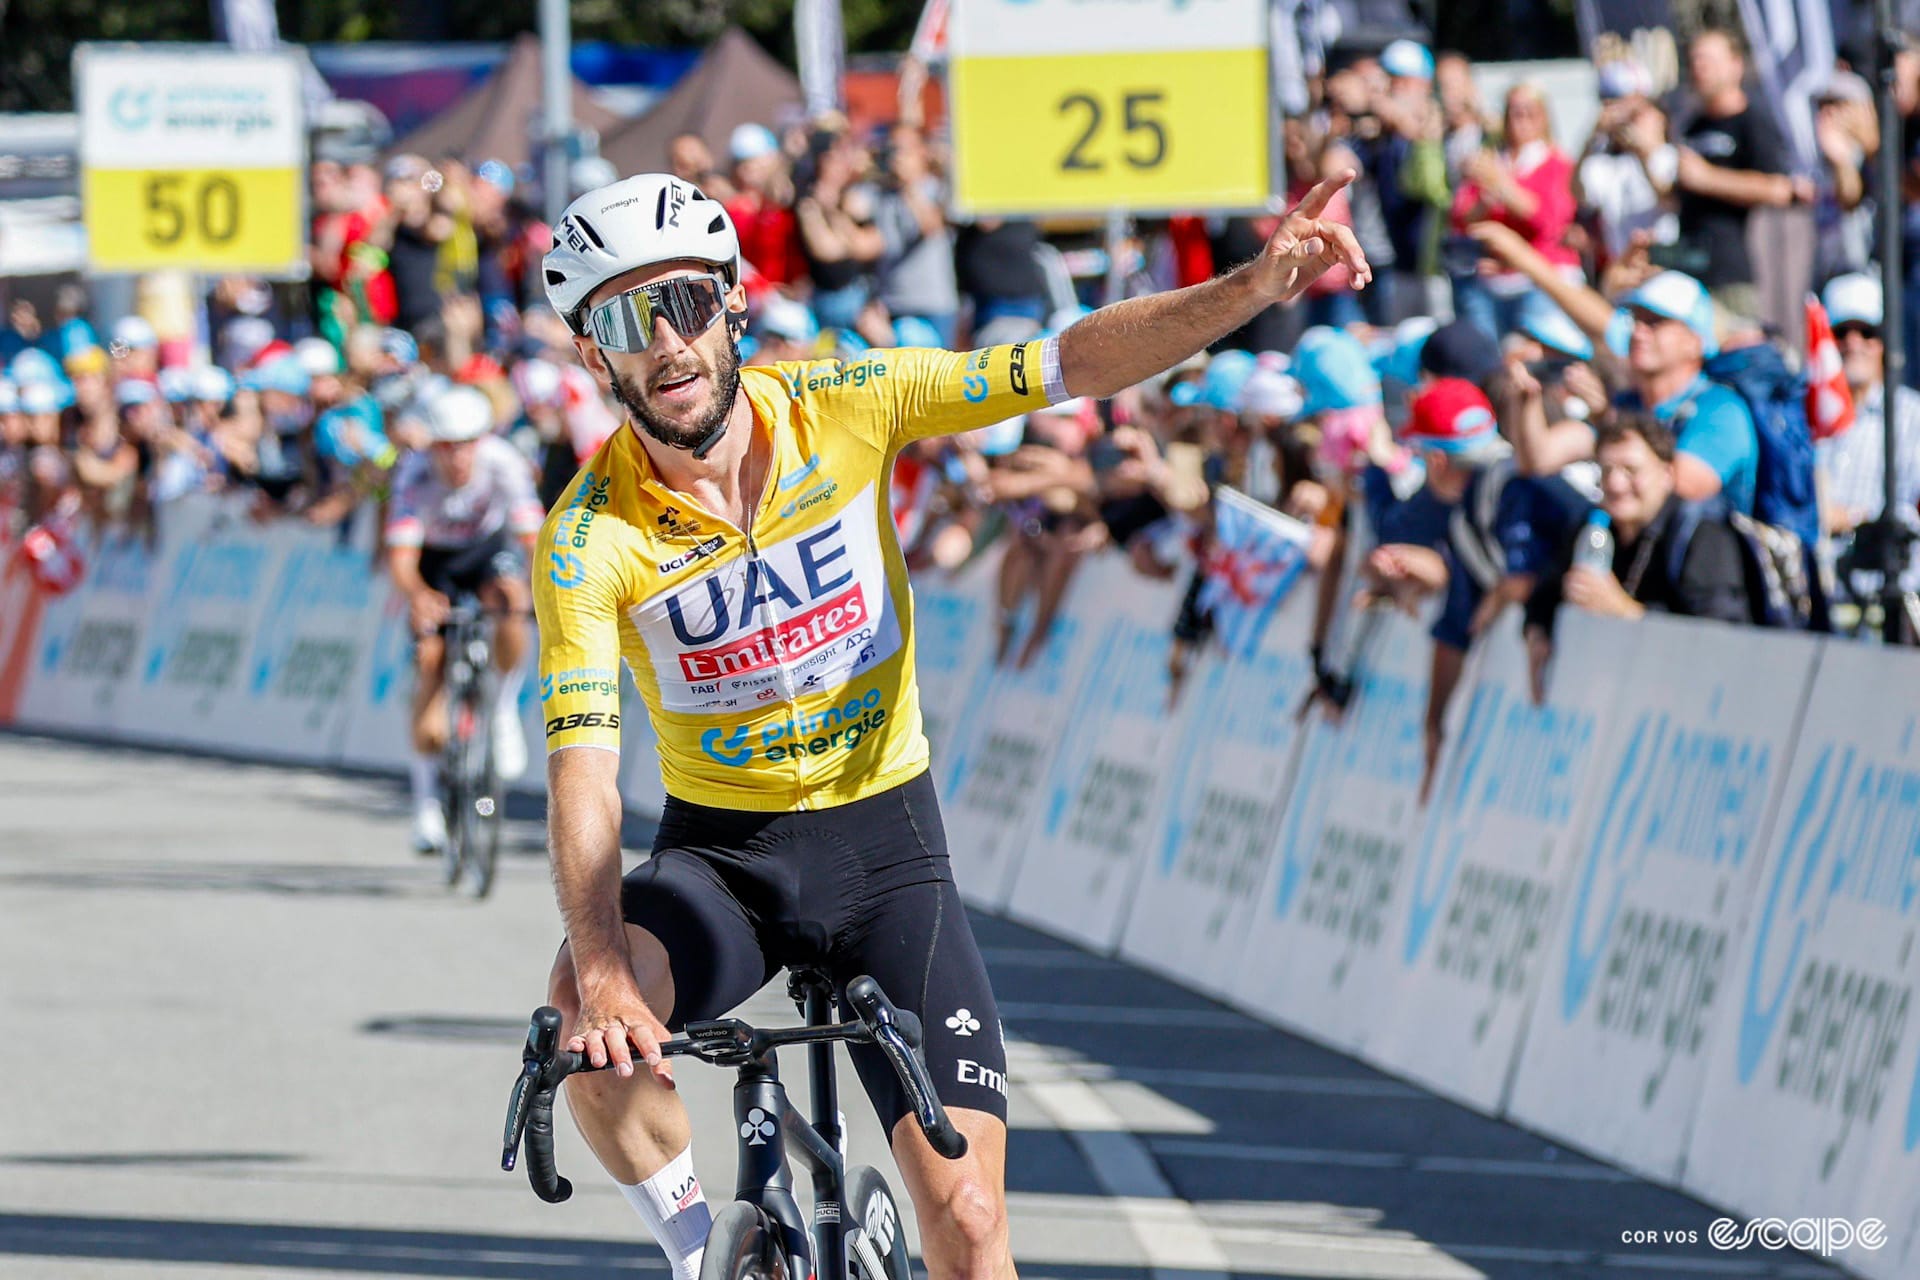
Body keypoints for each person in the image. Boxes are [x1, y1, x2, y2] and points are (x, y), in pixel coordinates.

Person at [531, 170, 1368, 1280]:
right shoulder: (587, 538)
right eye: (627, 320)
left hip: (887, 854)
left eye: (682, 301)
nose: (667, 342)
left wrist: (1252, 287)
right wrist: (603, 969)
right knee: (581, 1011)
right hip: (723, 857)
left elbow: (1072, 363)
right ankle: (701, 1251)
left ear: (733, 302)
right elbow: (582, 766)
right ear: (597, 355)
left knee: (971, 1224)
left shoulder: (850, 400)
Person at [384, 385, 542, 854]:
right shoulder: (413, 475)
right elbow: (401, 558)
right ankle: (426, 806)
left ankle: (503, 709)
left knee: (510, 602)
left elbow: (532, 539)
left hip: (485, 552)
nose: (457, 459)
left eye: (466, 445)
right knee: (430, 658)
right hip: (433, 560)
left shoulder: (504, 462)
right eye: (446, 448)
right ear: (431, 445)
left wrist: (539, 588)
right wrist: (418, 595)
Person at [1525, 415, 1754, 699]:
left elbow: (1723, 639)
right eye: (1606, 470)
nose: (1617, 484)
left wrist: (1625, 611)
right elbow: (1545, 593)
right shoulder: (1595, 527)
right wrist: (1537, 633)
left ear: (1667, 474)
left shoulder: (1701, 534)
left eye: (1631, 470)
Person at [1667, 28, 1803, 318]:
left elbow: (1780, 190)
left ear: (1735, 66)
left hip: (1737, 274)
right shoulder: (1692, 126)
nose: (1699, 69)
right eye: (1695, 61)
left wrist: (1708, 179)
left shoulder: (1753, 122)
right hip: (1692, 266)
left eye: (1708, 61)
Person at [1815, 273, 1920, 606]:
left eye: (1867, 332)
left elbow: (1909, 516)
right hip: (1813, 597)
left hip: (1882, 600)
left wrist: (1849, 518)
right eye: (1841, 332)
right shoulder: (1804, 414)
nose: (1853, 343)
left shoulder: (1910, 417)